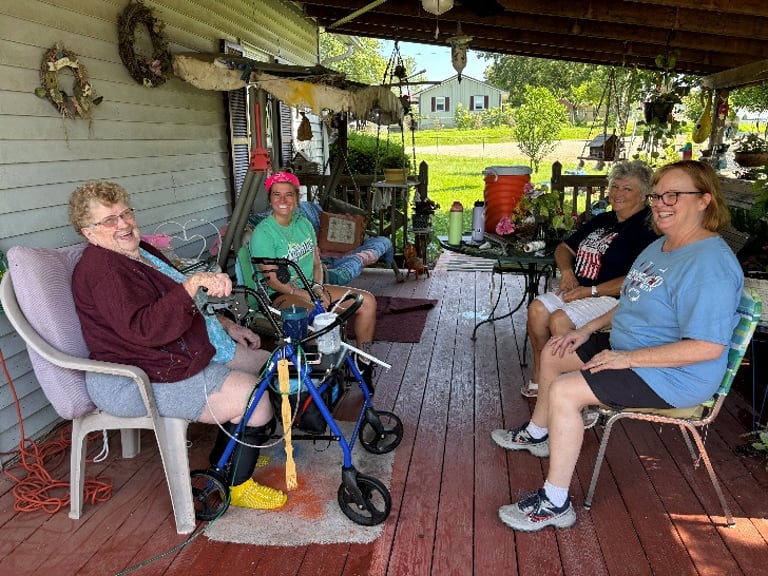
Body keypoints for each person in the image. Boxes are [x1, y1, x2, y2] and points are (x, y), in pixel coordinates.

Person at [491, 160, 743, 531]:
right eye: (657, 195)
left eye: (673, 195)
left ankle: (555, 502)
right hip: (633, 351)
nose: (660, 204)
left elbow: (707, 348)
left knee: (565, 391)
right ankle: (538, 433)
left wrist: (626, 358)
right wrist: (586, 330)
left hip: (672, 375)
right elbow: (631, 299)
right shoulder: (662, 246)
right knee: (556, 350)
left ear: (705, 200)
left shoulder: (709, 265)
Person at [68, 181, 287, 511]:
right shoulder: (103, 270)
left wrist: (227, 325)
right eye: (110, 220)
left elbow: (185, 304)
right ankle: (238, 485)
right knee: (255, 398)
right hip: (133, 377)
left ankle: (231, 454)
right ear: (89, 232)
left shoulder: (141, 252)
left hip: (170, 352)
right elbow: (144, 329)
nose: (123, 224)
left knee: (270, 365)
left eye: (125, 213)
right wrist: (193, 284)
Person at [523, 160, 658, 398]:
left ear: (644, 194)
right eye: (615, 186)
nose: (618, 193)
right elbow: (564, 248)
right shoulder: (604, 219)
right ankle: (542, 373)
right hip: (579, 289)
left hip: (613, 299)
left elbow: (637, 278)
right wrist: (567, 272)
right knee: (537, 309)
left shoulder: (648, 228)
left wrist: (590, 291)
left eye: (627, 189)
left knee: (559, 320)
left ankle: (573, 388)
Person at [249, 170, 379, 389]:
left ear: (297, 198)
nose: (283, 200)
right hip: (282, 295)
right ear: (270, 199)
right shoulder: (264, 233)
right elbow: (273, 280)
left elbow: (318, 264)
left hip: (312, 287)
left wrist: (317, 287)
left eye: (289, 194)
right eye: (277, 195)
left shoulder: (304, 225)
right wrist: (306, 295)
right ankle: (321, 379)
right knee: (318, 318)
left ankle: (364, 360)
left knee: (367, 302)